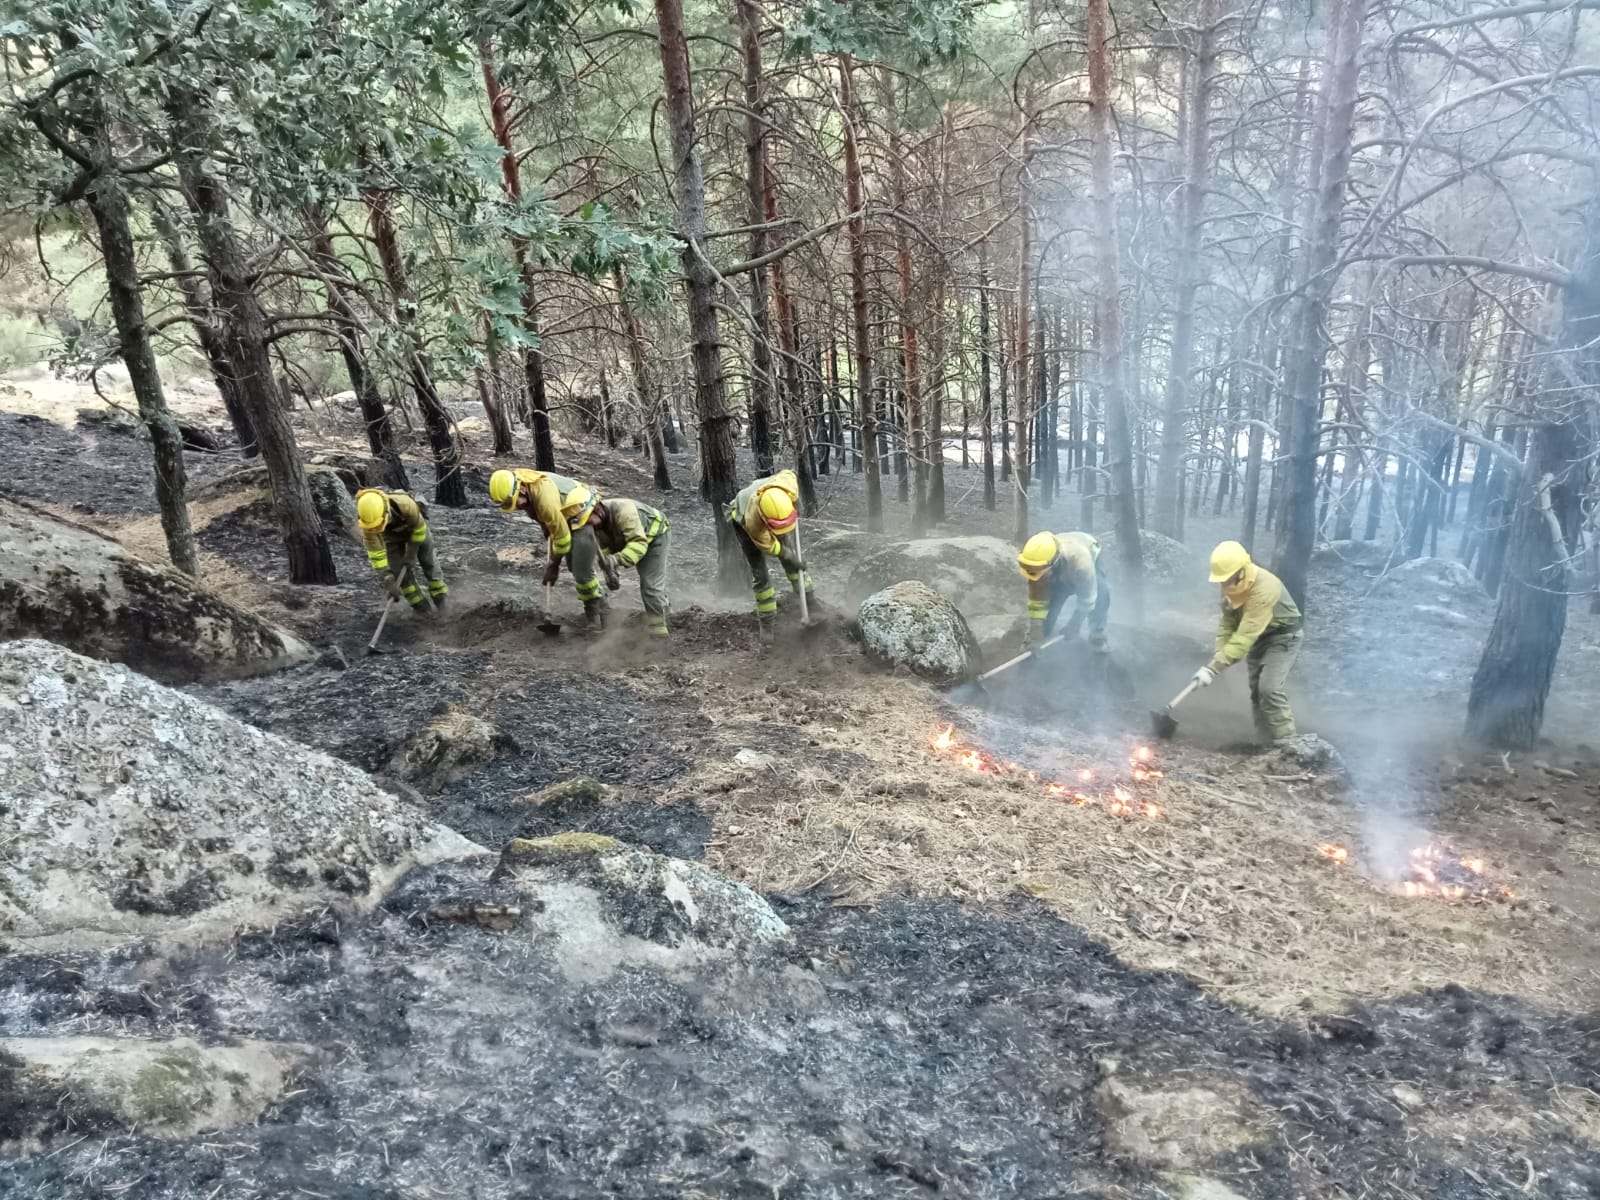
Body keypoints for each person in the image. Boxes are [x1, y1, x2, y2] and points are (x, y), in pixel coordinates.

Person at [1190, 540, 1303, 741]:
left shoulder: (1264, 588)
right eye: (1222, 581)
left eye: (1227, 579)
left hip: (1283, 637)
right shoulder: (1231, 583)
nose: (1224, 585)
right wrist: (1218, 655)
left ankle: (1289, 744)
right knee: (1256, 693)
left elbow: (1244, 637)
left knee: (1269, 689)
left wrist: (1213, 668)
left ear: (1241, 570)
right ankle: (1265, 742)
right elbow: (1228, 622)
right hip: (1259, 638)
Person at [488, 468, 613, 627]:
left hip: (583, 516)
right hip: (563, 515)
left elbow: (563, 539)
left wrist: (553, 566)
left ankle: (595, 616)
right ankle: (602, 605)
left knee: (581, 571)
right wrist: (547, 529)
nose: (516, 507)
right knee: (574, 567)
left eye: (513, 502)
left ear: (522, 489)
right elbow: (544, 519)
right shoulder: (521, 483)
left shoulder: (543, 498)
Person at [574, 492, 671, 638]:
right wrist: (610, 572)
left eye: (590, 519)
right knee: (651, 588)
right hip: (623, 538)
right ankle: (663, 610)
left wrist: (616, 560)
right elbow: (605, 548)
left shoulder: (625, 510)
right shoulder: (592, 525)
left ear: (598, 509)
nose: (589, 525)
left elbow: (639, 544)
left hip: (654, 537)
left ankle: (659, 633)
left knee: (650, 586)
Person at [726, 469, 812, 635]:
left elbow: (791, 473)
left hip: (773, 508)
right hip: (742, 519)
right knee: (761, 574)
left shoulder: (788, 484)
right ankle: (767, 624)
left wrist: (796, 503)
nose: (780, 534)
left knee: (792, 562)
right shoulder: (753, 524)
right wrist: (789, 555)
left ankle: (811, 601)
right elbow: (771, 547)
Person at [355, 488, 447, 612]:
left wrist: (411, 553)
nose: (374, 529)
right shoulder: (368, 526)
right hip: (391, 539)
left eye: (377, 525)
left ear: (385, 512)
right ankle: (422, 609)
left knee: (428, 562)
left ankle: (441, 599)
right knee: (399, 574)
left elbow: (419, 531)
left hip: (416, 531)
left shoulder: (405, 505)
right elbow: (376, 556)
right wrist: (387, 577)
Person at [1016, 530, 1108, 651]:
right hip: (1059, 566)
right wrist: (1035, 631)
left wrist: (1075, 623)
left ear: (1053, 563)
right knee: (1051, 607)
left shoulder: (1081, 564)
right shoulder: (1036, 567)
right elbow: (1037, 604)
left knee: (1101, 592)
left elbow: (1088, 598)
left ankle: (1097, 635)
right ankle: (1038, 642)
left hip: (1086, 549)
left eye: (1040, 573)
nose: (1035, 577)